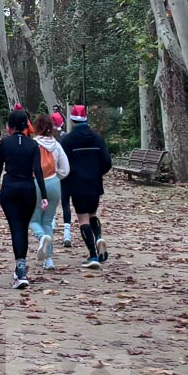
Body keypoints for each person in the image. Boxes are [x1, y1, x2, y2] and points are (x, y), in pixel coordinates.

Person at [0, 108, 49, 289]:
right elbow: (38, 171)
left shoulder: (5, 143)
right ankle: (21, 266)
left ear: (11, 125)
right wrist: (44, 195)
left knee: (15, 227)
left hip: (10, 189)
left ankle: (20, 270)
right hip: (28, 189)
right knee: (23, 227)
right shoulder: (33, 145)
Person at [59, 105, 112, 267]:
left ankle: (93, 255)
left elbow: (63, 163)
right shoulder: (97, 138)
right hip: (95, 183)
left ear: (72, 119)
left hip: (77, 184)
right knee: (93, 213)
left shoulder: (67, 140)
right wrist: (97, 173)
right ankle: (99, 237)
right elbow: (107, 162)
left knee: (83, 219)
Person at [28, 113, 70, 270]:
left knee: (33, 219)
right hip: (53, 183)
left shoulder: (32, 144)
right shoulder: (56, 145)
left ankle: (41, 237)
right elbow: (65, 169)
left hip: (36, 184)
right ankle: (49, 259)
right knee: (47, 221)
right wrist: (56, 175)